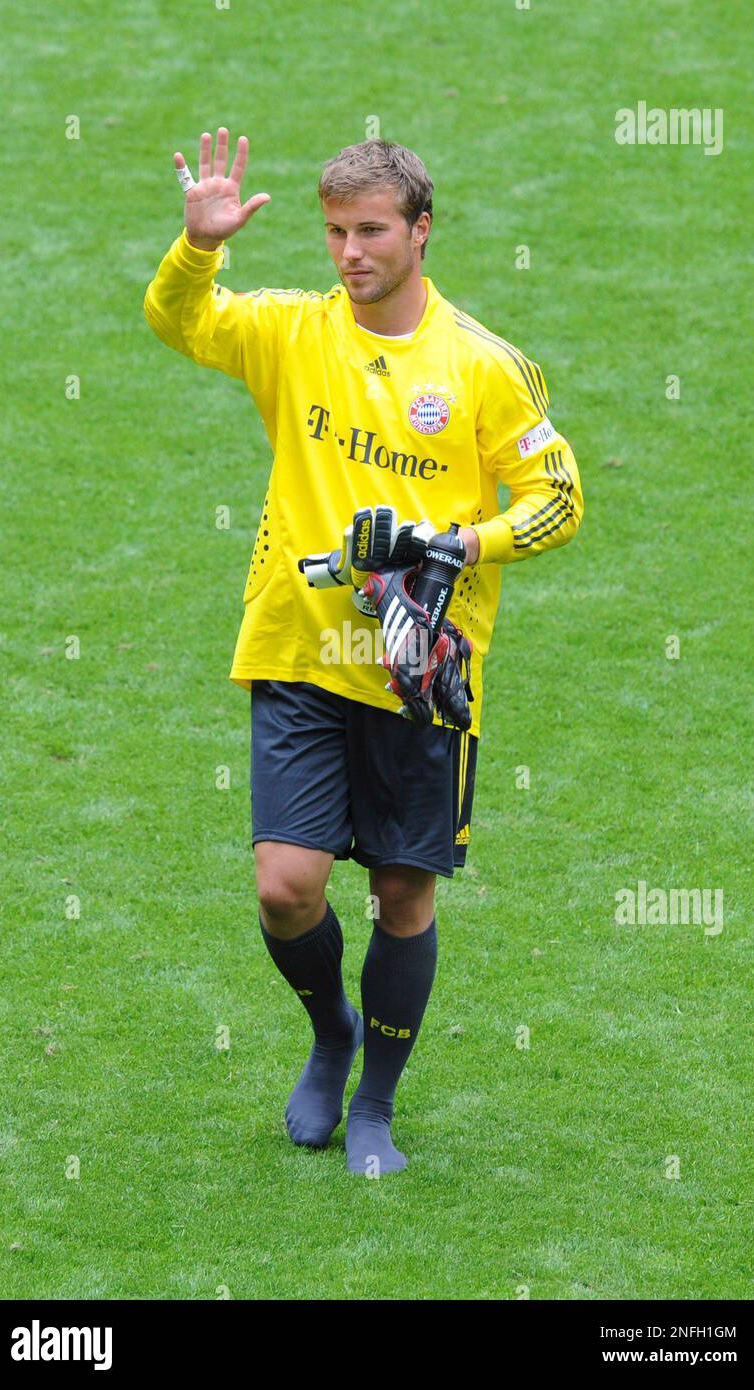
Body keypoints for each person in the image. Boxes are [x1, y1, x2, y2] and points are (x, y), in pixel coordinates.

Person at [143, 128, 583, 1175]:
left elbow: (557, 498)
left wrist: (454, 541)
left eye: (371, 230)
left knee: (401, 896)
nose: (349, 251)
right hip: (297, 648)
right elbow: (177, 319)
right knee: (285, 887)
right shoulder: (293, 333)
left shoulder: (482, 366)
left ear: (420, 232)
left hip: (415, 666)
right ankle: (330, 1032)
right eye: (335, 231)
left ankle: (376, 1103)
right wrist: (196, 247)